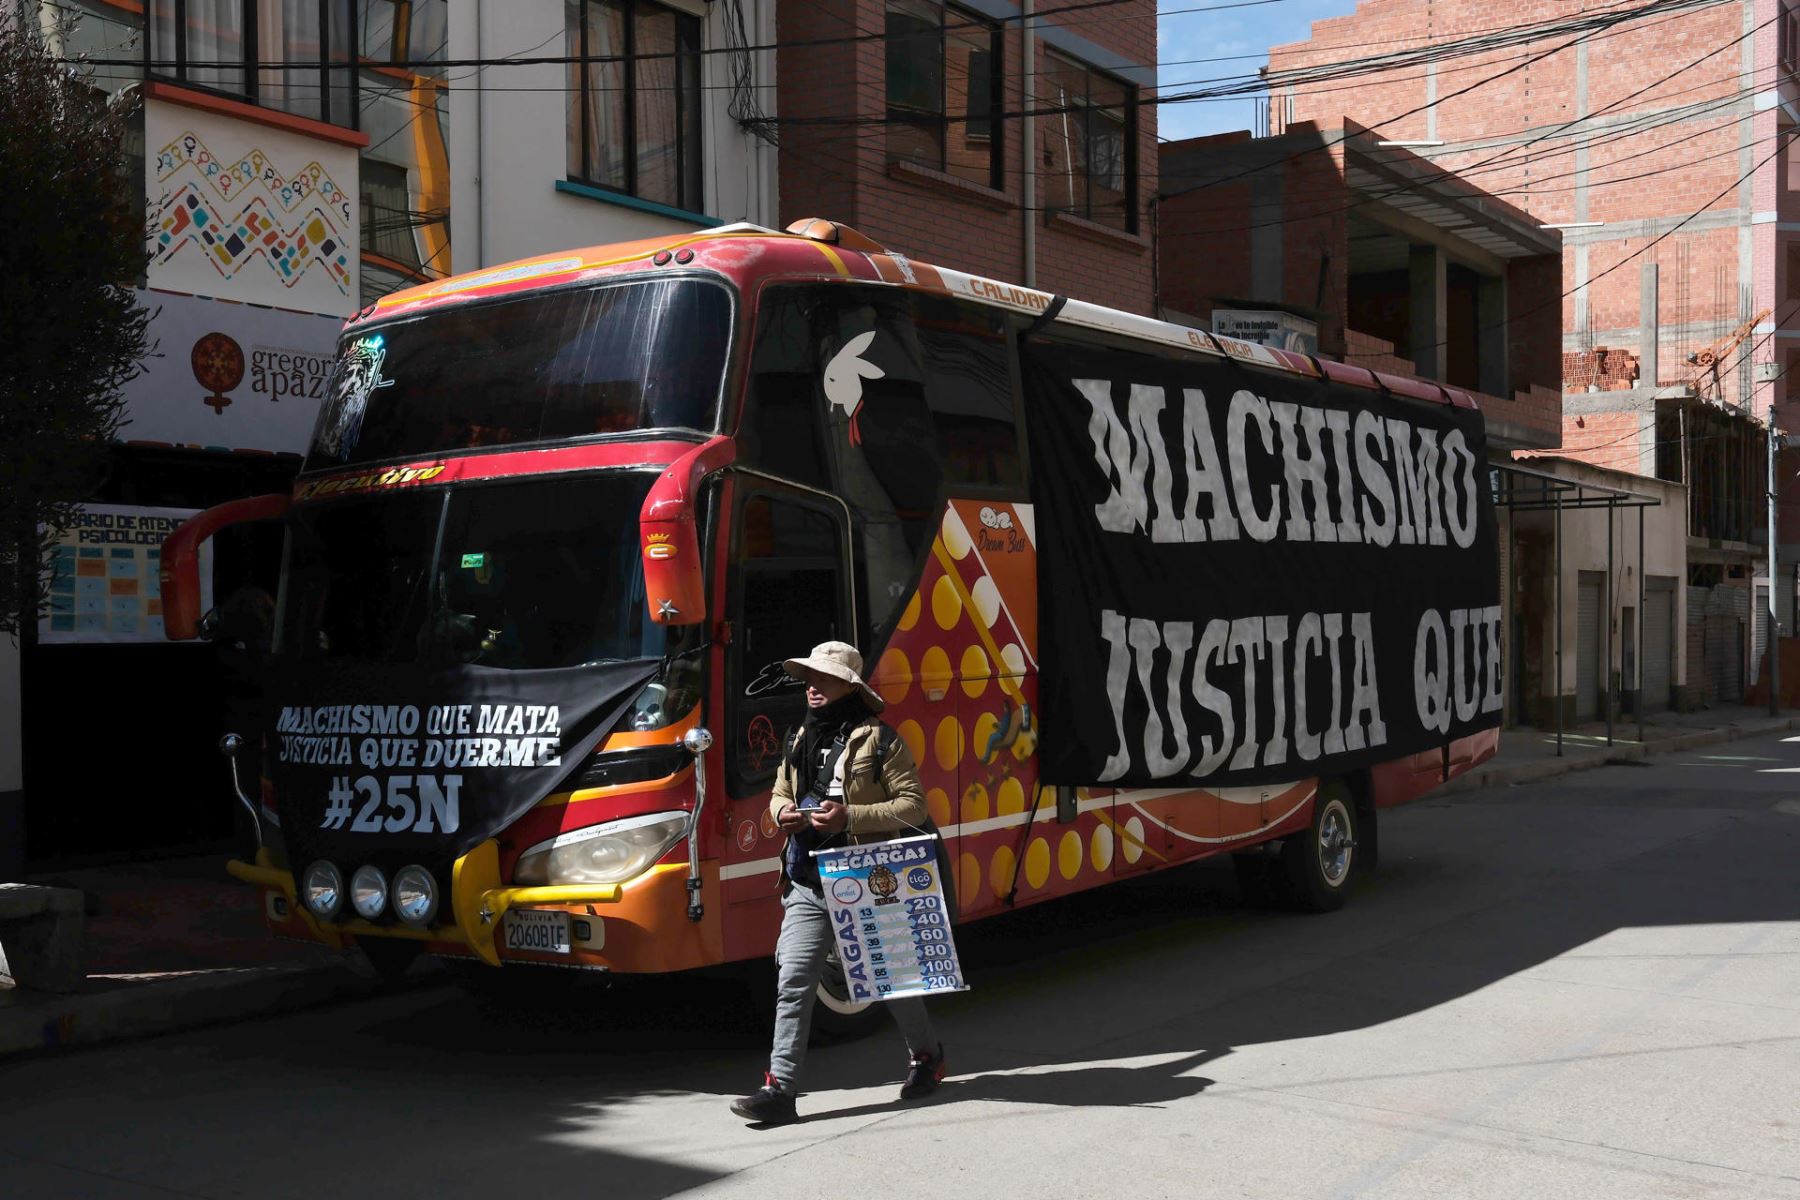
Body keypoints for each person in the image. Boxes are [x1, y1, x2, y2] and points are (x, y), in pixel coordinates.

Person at [731, 640, 948, 1126]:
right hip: (807, 879)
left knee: (893, 984)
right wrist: (780, 812)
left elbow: (914, 807)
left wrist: (850, 816)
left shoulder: (880, 740)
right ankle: (780, 1091)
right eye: (810, 678)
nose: (812, 687)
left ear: (848, 687)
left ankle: (928, 1057)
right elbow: (781, 790)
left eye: (824, 680)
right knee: (793, 982)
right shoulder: (798, 736)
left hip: (867, 878)